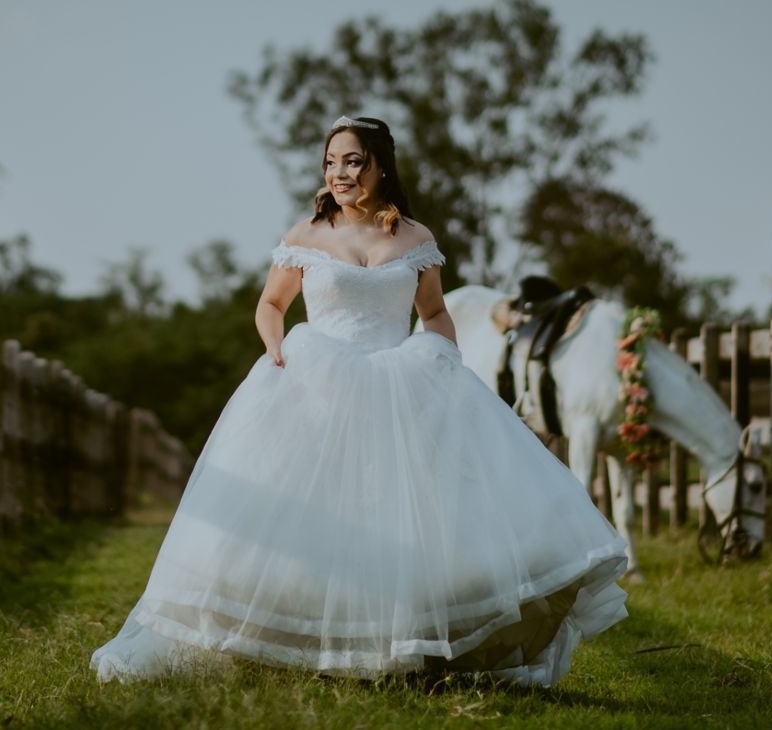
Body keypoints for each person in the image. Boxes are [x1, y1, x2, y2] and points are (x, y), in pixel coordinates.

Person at [90, 114, 630, 685]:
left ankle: (401, 647)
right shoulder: (305, 236)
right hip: (318, 375)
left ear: (379, 166)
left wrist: (447, 366)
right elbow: (270, 304)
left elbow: (434, 314)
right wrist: (277, 352)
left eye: (352, 160)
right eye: (331, 162)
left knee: (407, 512)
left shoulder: (416, 240)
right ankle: (296, 637)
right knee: (310, 514)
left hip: (401, 379)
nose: (339, 172)